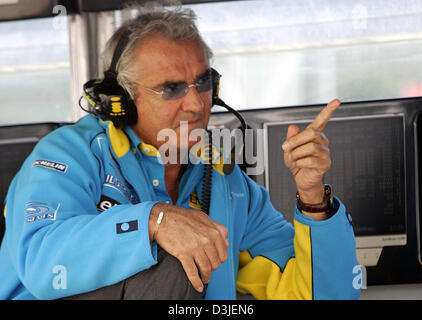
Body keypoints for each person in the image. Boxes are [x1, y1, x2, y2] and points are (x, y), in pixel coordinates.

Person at [0, 5, 360, 300]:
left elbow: (323, 294)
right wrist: (153, 221)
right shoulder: (70, 155)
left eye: (203, 82)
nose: (196, 103)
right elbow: (40, 261)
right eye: (171, 88)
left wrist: (314, 199)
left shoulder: (228, 183)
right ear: (121, 100)